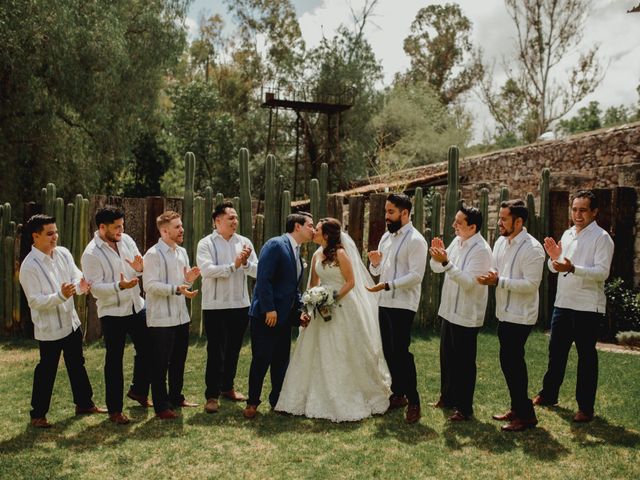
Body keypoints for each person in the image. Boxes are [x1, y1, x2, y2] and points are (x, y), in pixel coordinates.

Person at [275, 218, 391, 421]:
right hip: (320, 309)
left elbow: (351, 282)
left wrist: (332, 298)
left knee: (341, 349)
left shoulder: (340, 254)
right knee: (314, 351)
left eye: (317, 230)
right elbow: (312, 284)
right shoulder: (316, 255)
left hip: (342, 307)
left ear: (326, 235)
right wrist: (311, 303)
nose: (313, 233)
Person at [533, 190, 614, 422]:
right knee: (556, 352)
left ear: (594, 212)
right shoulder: (568, 234)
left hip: (588, 307)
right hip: (563, 304)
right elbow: (555, 266)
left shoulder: (602, 238)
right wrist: (555, 259)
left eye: (583, 210)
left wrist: (572, 268)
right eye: (575, 209)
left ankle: (585, 408)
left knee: (586, 357)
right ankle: (549, 395)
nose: (577, 214)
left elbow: (602, 273)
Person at [19, 214, 106, 428]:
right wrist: (60, 296)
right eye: (49, 233)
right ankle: (38, 415)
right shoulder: (29, 267)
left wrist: (81, 284)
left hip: (70, 323)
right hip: (49, 329)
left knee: (77, 363)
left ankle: (84, 403)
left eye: (56, 232)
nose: (55, 237)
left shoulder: (63, 254)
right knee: (47, 370)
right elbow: (34, 301)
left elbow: (76, 275)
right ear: (35, 236)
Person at [477, 200, 545, 431]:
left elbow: (531, 284)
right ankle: (518, 408)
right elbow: (496, 268)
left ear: (519, 221)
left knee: (514, 364)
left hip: (521, 315)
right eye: (500, 218)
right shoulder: (500, 243)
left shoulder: (533, 248)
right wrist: (492, 275)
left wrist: (499, 281)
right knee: (509, 363)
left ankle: (526, 416)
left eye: (504, 219)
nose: (499, 223)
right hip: (504, 313)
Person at [81, 206, 152, 425]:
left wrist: (140, 269)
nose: (121, 229)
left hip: (136, 305)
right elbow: (94, 288)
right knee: (114, 361)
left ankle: (139, 390)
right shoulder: (91, 253)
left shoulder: (127, 240)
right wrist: (119, 286)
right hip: (112, 312)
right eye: (116, 227)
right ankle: (115, 410)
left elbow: (136, 268)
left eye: (122, 225)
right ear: (102, 227)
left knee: (149, 349)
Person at [243, 212, 315, 419]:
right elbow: (263, 279)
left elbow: (292, 289)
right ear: (297, 226)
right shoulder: (275, 245)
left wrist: (299, 312)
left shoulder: (297, 251)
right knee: (261, 359)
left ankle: (278, 401)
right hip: (267, 316)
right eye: (309, 225)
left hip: (284, 318)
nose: (313, 229)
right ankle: (252, 402)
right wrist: (269, 309)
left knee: (281, 361)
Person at [367, 193, 428, 424]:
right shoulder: (386, 238)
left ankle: (414, 401)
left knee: (402, 352)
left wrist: (388, 284)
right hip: (385, 301)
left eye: (391, 212)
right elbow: (378, 271)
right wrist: (374, 263)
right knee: (389, 351)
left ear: (405, 213)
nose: (386, 216)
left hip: (403, 304)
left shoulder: (416, 240)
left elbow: (416, 276)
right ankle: (398, 394)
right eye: (386, 211)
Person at [429, 205, 492, 422]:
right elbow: (437, 268)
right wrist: (437, 258)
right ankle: (446, 398)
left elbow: (469, 284)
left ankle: (464, 408)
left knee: (464, 363)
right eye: (455, 221)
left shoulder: (482, 250)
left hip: (467, 314)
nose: (453, 225)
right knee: (446, 358)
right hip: (449, 310)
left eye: (459, 223)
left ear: (473, 227)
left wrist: (446, 262)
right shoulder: (457, 241)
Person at [197, 202, 258, 414]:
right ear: (218, 221)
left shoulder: (244, 242)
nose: (235, 222)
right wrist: (234, 265)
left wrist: (246, 263)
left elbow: (257, 272)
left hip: (240, 304)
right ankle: (211, 395)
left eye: (236, 218)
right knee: (216, 350)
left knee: (233, 349)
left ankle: (227, 388)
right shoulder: (206, 243)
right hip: (215, 306)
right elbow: (207, 270)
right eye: (231, 218)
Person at [142, 211, 201, 420]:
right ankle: (161, 406)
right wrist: (177, 288)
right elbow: (148, 285)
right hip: (160, 319)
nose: (182, 229)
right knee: (160, 364)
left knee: (178, 361)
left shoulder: (182, 252)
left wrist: (189, 281)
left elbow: (183, 285)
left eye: (181, 225)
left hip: (180, 316)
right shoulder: (153, 254)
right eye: (177, 227)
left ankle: (176, 397)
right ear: (165, 231)